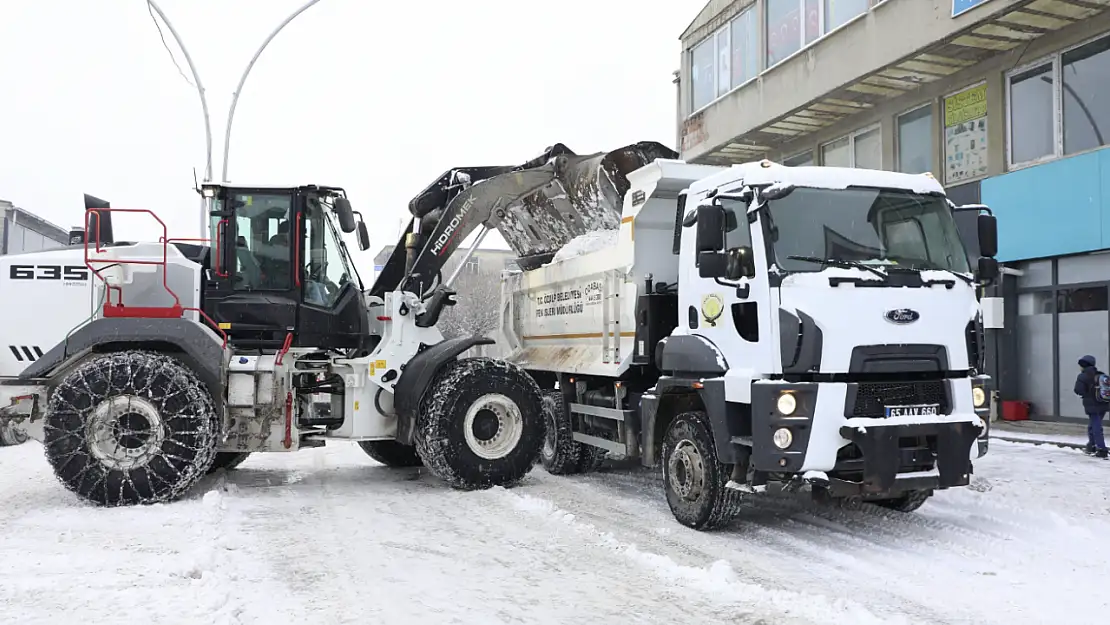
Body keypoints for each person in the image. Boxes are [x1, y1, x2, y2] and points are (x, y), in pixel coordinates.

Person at [1073, 355, 1108, 458]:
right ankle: (1091, 446)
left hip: (1092, 405)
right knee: (1093, 424)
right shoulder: (1101, 375)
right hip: (1103, 403)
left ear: (1084, 365)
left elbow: (1078, 390)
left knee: (1096, 426)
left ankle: (1101, 449)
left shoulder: (1083, 376)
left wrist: (1086, 394)